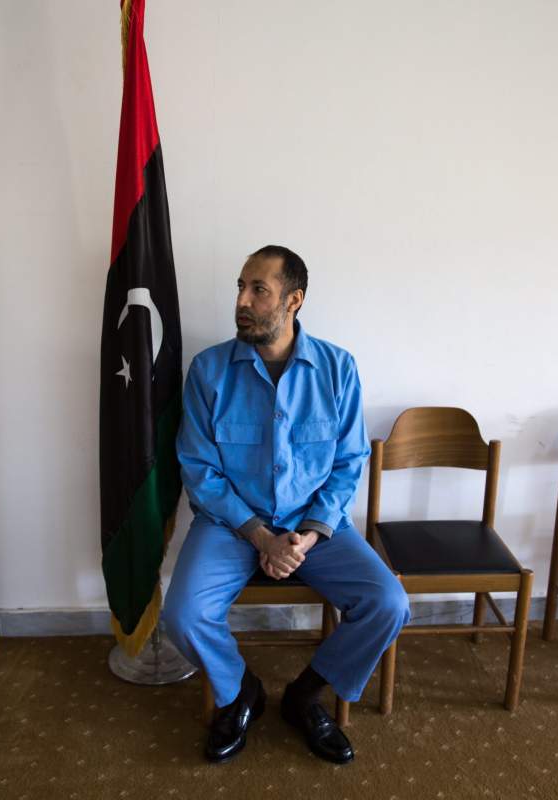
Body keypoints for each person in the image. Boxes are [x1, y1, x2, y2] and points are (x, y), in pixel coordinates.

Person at [164, 245, 410, 765]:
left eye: (259, 290)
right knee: (183, 615)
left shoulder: (337, 368)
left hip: (315, 529)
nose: (242, 301)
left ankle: (307, 694)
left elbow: (348, 462)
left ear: (294, 300)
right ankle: (240, 692)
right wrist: (260, 536)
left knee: (389, 603)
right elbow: (198, 469)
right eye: (240, 287)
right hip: (231, 525)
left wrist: (309, 534)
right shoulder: (209, 372)